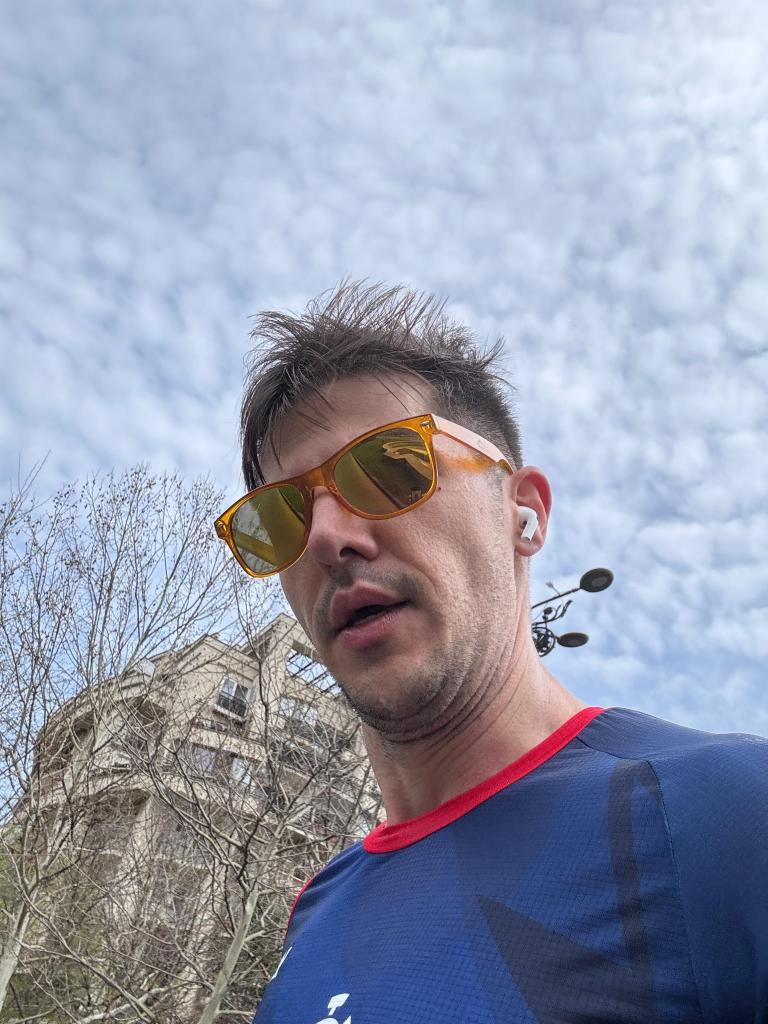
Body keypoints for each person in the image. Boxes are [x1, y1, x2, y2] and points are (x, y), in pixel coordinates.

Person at [216, 282, 768, 1023]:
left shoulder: (726, 814)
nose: (326, 538)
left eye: (389, 468)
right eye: (278, 518)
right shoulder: (316, 910)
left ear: (524, 513)